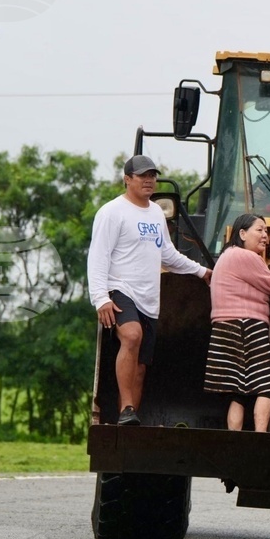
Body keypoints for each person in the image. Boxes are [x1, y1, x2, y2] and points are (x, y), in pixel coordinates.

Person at [88, 154, 212, 426]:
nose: (149, 180)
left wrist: (202, 271)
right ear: (127, 179)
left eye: (153, 176)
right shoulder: (112, 212)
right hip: (119, 289)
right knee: (131, 336)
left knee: (141, 367)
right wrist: (100, 299)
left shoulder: (156, 212)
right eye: (143, 175)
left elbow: (167, 254)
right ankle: (126, 409)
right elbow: (98, 257)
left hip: (149, 298)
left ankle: (130, 420)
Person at [203, 214, 270, 432]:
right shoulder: (245, 256)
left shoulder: (230, 255)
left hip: (226, 325)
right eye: (259, 230)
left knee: (237, 390)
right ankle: (260, 437)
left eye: (266, 232)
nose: (266, 237)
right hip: (246, 325)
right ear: (242, 233)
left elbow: (261, 279)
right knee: (265, 386)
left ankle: (236, 438)